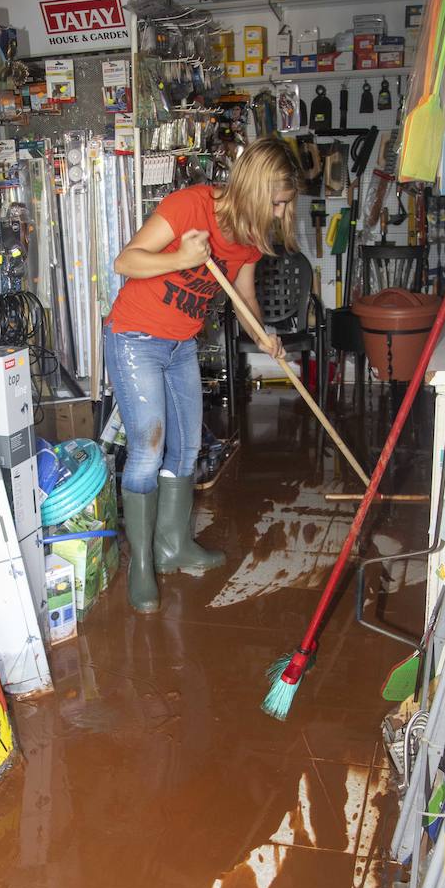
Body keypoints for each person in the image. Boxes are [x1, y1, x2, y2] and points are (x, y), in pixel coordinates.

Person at [107, 136, 299, 614]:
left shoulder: (250, 237)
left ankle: (174, 547)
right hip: (135, 339)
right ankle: (142, 565)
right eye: (277, 203)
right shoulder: (188, 205)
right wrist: (181, 259)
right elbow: (125, 261)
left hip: (181, 344)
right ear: (256, 190)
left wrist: (264, 335)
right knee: (147, 453)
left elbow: (244, 296)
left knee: (188, 448)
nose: (279, 215)